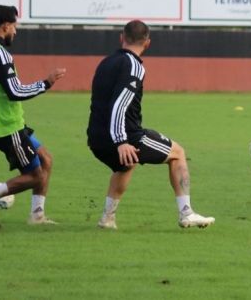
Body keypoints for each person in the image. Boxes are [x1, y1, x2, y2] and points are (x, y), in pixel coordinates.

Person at [86, 20, 214, 230]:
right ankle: (186, 213)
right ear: (147, 43)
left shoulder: (106, 62)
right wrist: (121, 141)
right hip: (125, 136)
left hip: (96, 136)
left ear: (121, 37)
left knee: (127, 163)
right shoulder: (134, 66)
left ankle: (107, 219)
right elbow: (119, 104)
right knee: (178, 153)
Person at [0, 5, 66, 227]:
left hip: (2, 124)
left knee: (46, 159)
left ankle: (37, 216)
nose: (15, 31)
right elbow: (15, 91)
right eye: (14, 26)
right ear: (6, 26)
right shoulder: (0, 53)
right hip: (8, 127)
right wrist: (46, 83)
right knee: (36, 175)